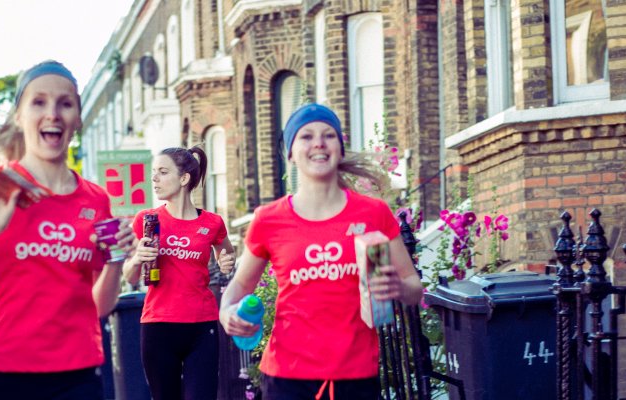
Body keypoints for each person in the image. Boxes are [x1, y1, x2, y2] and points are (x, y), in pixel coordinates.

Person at [0, 60, 133, 400]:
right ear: (19, 116)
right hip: (2, 375)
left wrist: (115, 261)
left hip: (76, 375)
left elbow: (100, 307)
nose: (53, 113)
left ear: (78, 117)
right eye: (39, 102)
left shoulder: (95, 200)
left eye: (65, 103)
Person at [218, 104, 423, 399]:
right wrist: (227, 312)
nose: (318, 143)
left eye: (329, 135)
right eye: (306, 136)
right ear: (290, 152)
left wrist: (398, 288)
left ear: (339, 148)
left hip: (355, 377)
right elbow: (239, 284)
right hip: (287, 378)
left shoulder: (373, 213)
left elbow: (414, 288)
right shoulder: (268, 219)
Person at [122, 146, 236, 399]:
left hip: (201, 325)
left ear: (184, 179)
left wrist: (225, 260)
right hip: (158, 326)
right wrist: (138, 259)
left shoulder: (212, 223)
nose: (155, 179)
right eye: (154, 173)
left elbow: (227, 252)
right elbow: (129, 276)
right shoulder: (147, 220)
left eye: (163, 172)